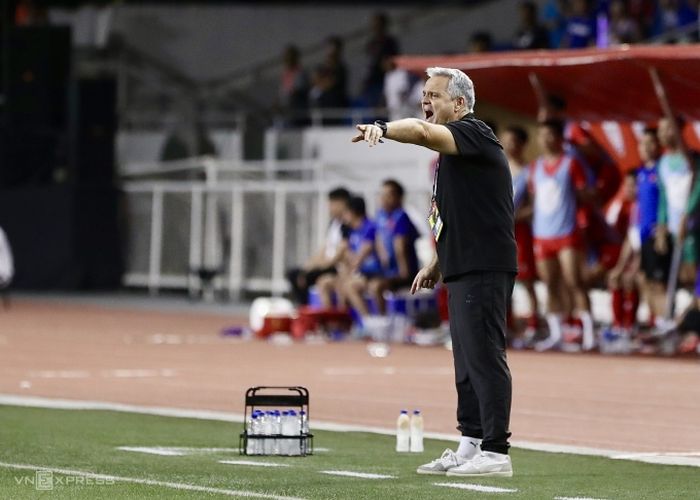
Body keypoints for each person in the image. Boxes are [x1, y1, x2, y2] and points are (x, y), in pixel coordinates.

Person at [352, 67, 517, 477]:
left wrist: (382, 126)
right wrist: (436, 263)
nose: (425, 102)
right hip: (462, 266)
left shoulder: (474, 133)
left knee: (484, 356)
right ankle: (470, 444)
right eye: (424, 94)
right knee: (465, 360)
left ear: (459, 104)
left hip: (484, 265)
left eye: (434, 95)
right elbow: (455, 217)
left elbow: (422, 134)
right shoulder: (453, 157)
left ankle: (496, 452)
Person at [529, 119, 596, 351]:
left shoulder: (571, 163)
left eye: (550, 135)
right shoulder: (535, 167)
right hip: (542, 235)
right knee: (549, 284)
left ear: (559, 138)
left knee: (574, 281)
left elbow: (585, 193)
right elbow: (533, 198)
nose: (546, 139)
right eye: (542, 135)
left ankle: (588, 332)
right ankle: (556, 332)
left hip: (567, 233)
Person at [502, 125, 540, 344]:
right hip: (498, 232)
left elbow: (536, 205)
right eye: (506, 140)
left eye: (514, 141)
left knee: (526, 280)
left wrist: (516, 217)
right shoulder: (496, 168)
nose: (509, 145)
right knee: (502, 280)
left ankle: (534, 325)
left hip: (520, 231)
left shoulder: (530, 171)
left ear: (523, 144)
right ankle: (506, 325)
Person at [286, 187, 350, 305]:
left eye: (332, 204)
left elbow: (342, 251)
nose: (329, 207)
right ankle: (303, 307)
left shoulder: (347, 225)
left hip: (336, 267)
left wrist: (322, 265)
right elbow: (325, 248)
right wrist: (308, 266)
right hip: (326, 264)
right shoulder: (333, 224)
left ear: (342, 203)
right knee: (294, 274)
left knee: (309, 277)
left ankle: (309, 307)